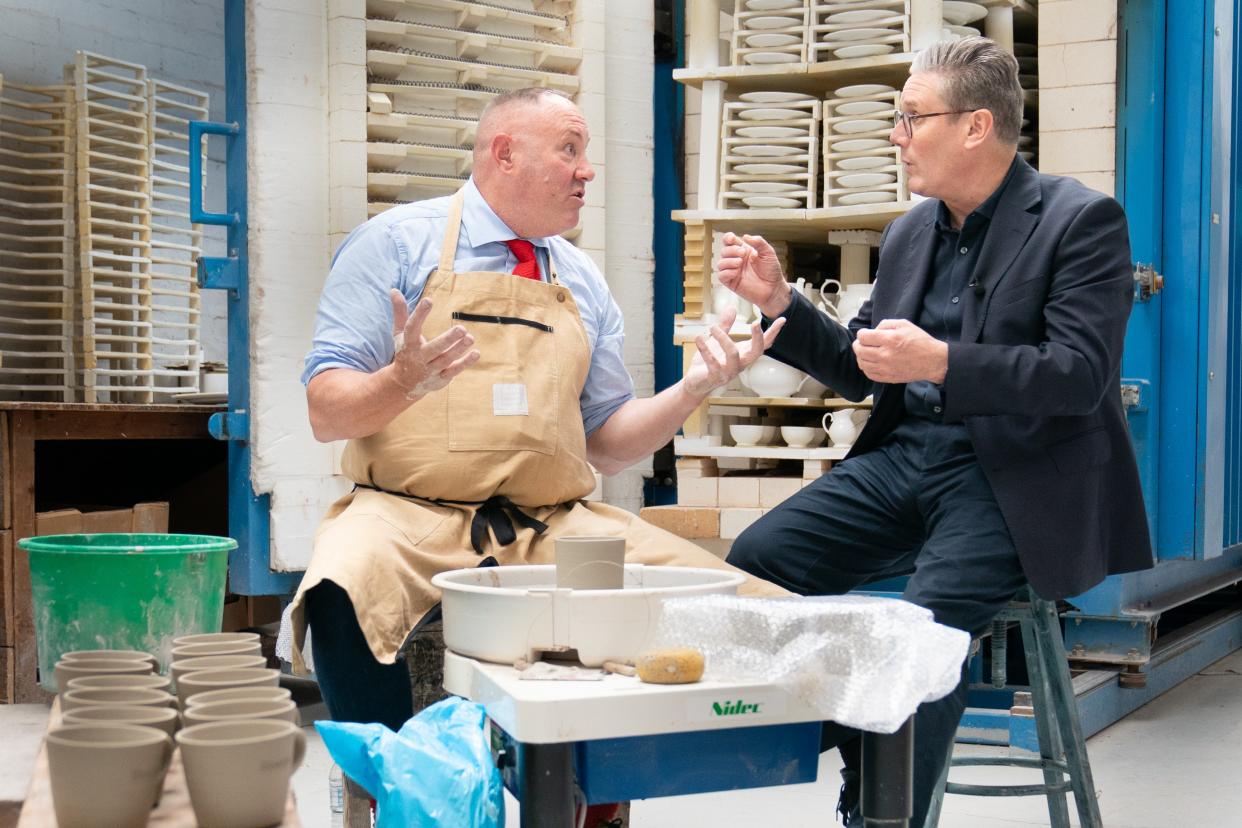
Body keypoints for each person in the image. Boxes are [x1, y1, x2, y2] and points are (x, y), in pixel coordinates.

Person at [288, 87, 789, 824]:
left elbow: (609, 441)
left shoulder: (578, 280)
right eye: (571, 149)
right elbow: (325, 410)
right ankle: (404, 786)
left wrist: (695, 389)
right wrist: (400, 380)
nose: (588, 171)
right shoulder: (396, 245)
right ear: (505, 154)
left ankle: (593, 796)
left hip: (552, 522)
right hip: (407, 515)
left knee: (740, 608)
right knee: (338, 582)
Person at [716, 38, 1153, 827]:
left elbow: (1079, 375)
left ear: (976, 127)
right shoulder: (914, 230)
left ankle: (885, 815)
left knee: (923, 633)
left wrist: (948, 362)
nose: (896, 135)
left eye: (911, 117)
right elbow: (864, 368)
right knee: (759, 563)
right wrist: (782, 303)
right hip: (905, 461)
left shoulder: (1081, 221)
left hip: (1014, 476)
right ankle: (858, 753)